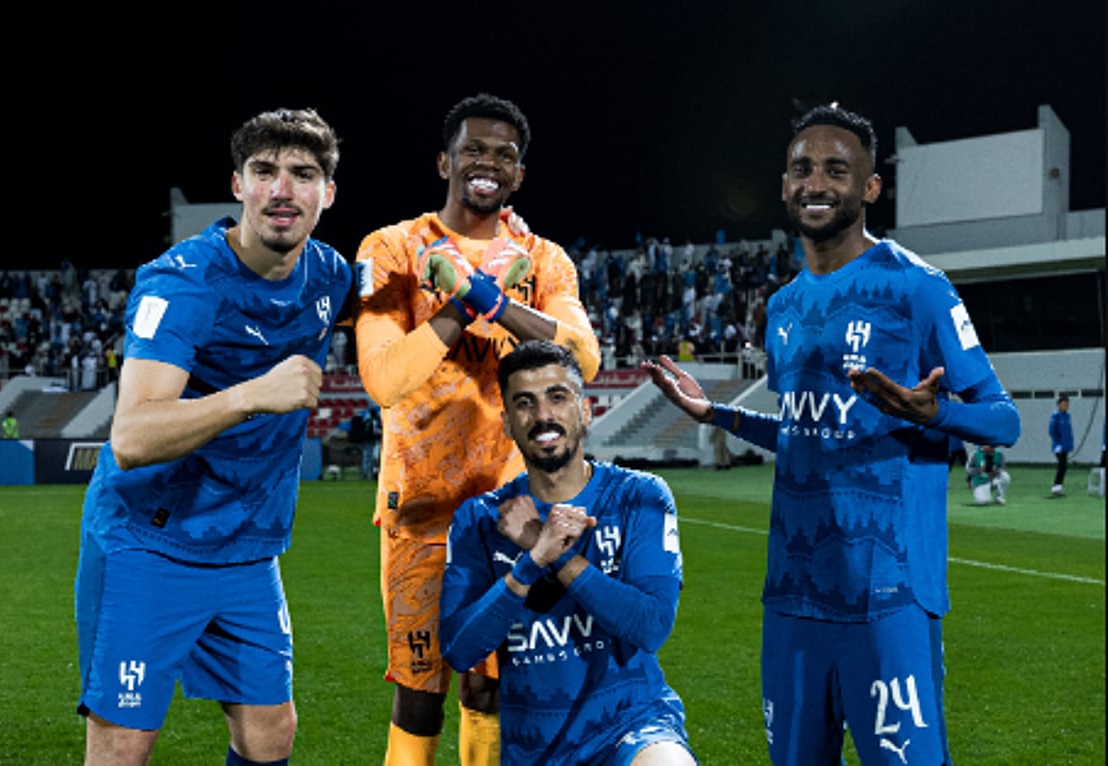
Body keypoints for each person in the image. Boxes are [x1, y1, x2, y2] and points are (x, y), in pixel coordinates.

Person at [642, 103, 1020, 765]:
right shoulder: (783, 306)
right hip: (792, 594)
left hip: (889, 594)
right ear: (785, 184)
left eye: (836, 170)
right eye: (802, 169)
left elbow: (1004, 419)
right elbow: (805, 435)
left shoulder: (917, 288)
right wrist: (717, 415)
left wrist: (931, 414)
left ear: (870, 187)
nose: (815, 183)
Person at [74, 107, 352, 766]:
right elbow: (131, 436)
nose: (281, 190)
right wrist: (253, 395)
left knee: (270, 732)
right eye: (264, 171)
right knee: (124, 744)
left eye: (302, 174)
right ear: (237, 185)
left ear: (327, 193)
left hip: (247, 547)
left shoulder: (332, 275)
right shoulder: (184, 282)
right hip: (151, 540)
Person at [354, 93, 600, 766]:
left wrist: (488, 297)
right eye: (473, 150)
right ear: (445, 162)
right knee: (419, 692)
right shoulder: (393, 248)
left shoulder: (543, 261)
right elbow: (384, 379)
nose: (487, 163)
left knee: (491, 689)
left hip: (509, 515)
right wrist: (464, 305)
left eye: (504, 155)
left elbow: (582, 357)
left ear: (519, 173)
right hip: (421, 512)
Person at [440, 340, 697, 766]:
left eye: (557, 397)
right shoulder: (480, 519)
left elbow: (651, 626)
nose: (543, 415)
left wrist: (551, 551)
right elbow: (459, 650)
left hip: (632, 727)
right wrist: (528, 566)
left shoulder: (638, 496)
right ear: (507, 424)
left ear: (585, 410)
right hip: (537, 749)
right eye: (525, 403)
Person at [1048, 395, 1074, 497]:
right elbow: (1052, 431)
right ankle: (1056, 487)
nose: (1066, 406)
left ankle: (1058, 487)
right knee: (1062, 466)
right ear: (1059, 405)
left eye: (1067, 405)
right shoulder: (1056, 416)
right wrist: (1058, 443)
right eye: (1064, 404)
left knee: (1063, 466)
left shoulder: (1067, 416)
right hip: (1059, 446)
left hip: (1066, 446)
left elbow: (1068, 431)